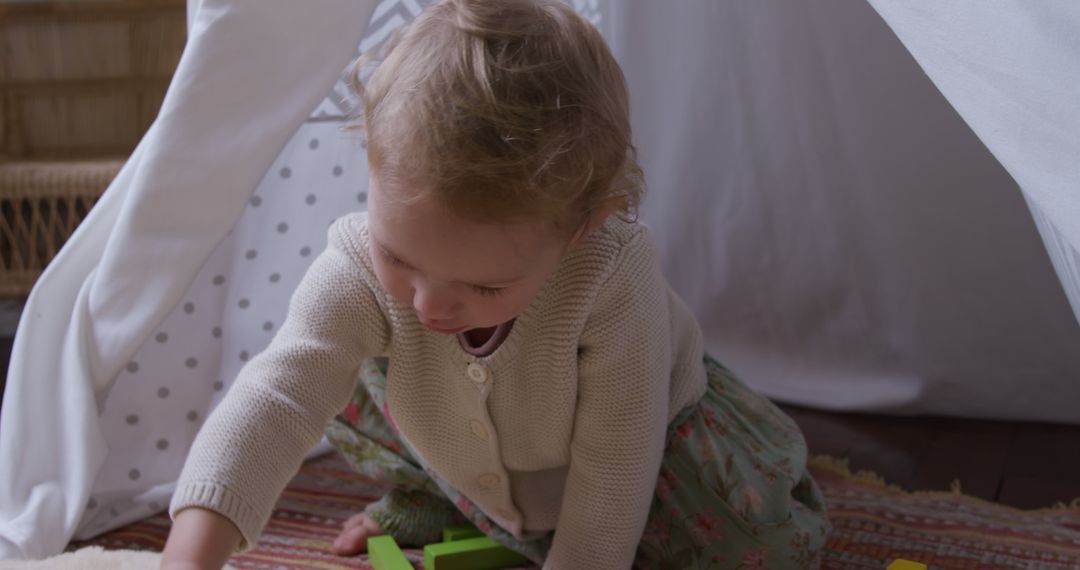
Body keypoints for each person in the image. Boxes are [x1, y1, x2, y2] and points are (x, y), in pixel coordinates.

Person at [160, 0, 829, 568]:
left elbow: (616, 469)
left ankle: (501, 513)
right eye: (402, 258)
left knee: (757, 548)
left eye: (484, 289)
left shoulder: (612, 273)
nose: (430, 304)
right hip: (453, 433)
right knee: (332, 372)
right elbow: (274, 399)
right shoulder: (358, 265)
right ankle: (439, 495)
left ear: (582, 228)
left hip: (643, 436)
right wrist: (188, 554)